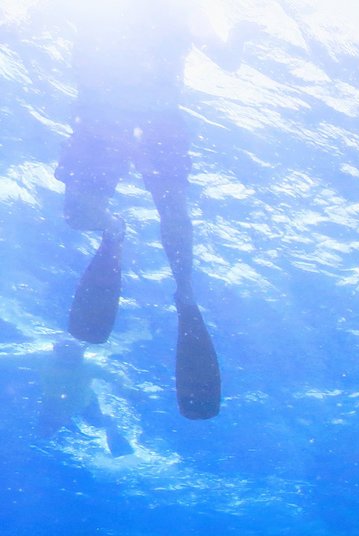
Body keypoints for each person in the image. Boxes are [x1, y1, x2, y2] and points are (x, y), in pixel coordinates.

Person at [55, 0, 256, 420]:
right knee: (76, 213)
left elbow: (227, 60)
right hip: (100, 113)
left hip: (155, 118)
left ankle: (185, 296)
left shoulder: (182, 8)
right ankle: (114, 229)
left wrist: (239, 29)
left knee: (173, 212)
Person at [36, 339, 134, 457]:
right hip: (54, 403)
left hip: (86, 403)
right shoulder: (44, 361)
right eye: (66, 353)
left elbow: (113, 377)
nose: (70, 358)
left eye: (74, 354)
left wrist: (127, 388)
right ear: (56, 352)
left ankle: (112, 429)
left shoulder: (88, 366)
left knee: (97, 423)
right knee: (45, 434)